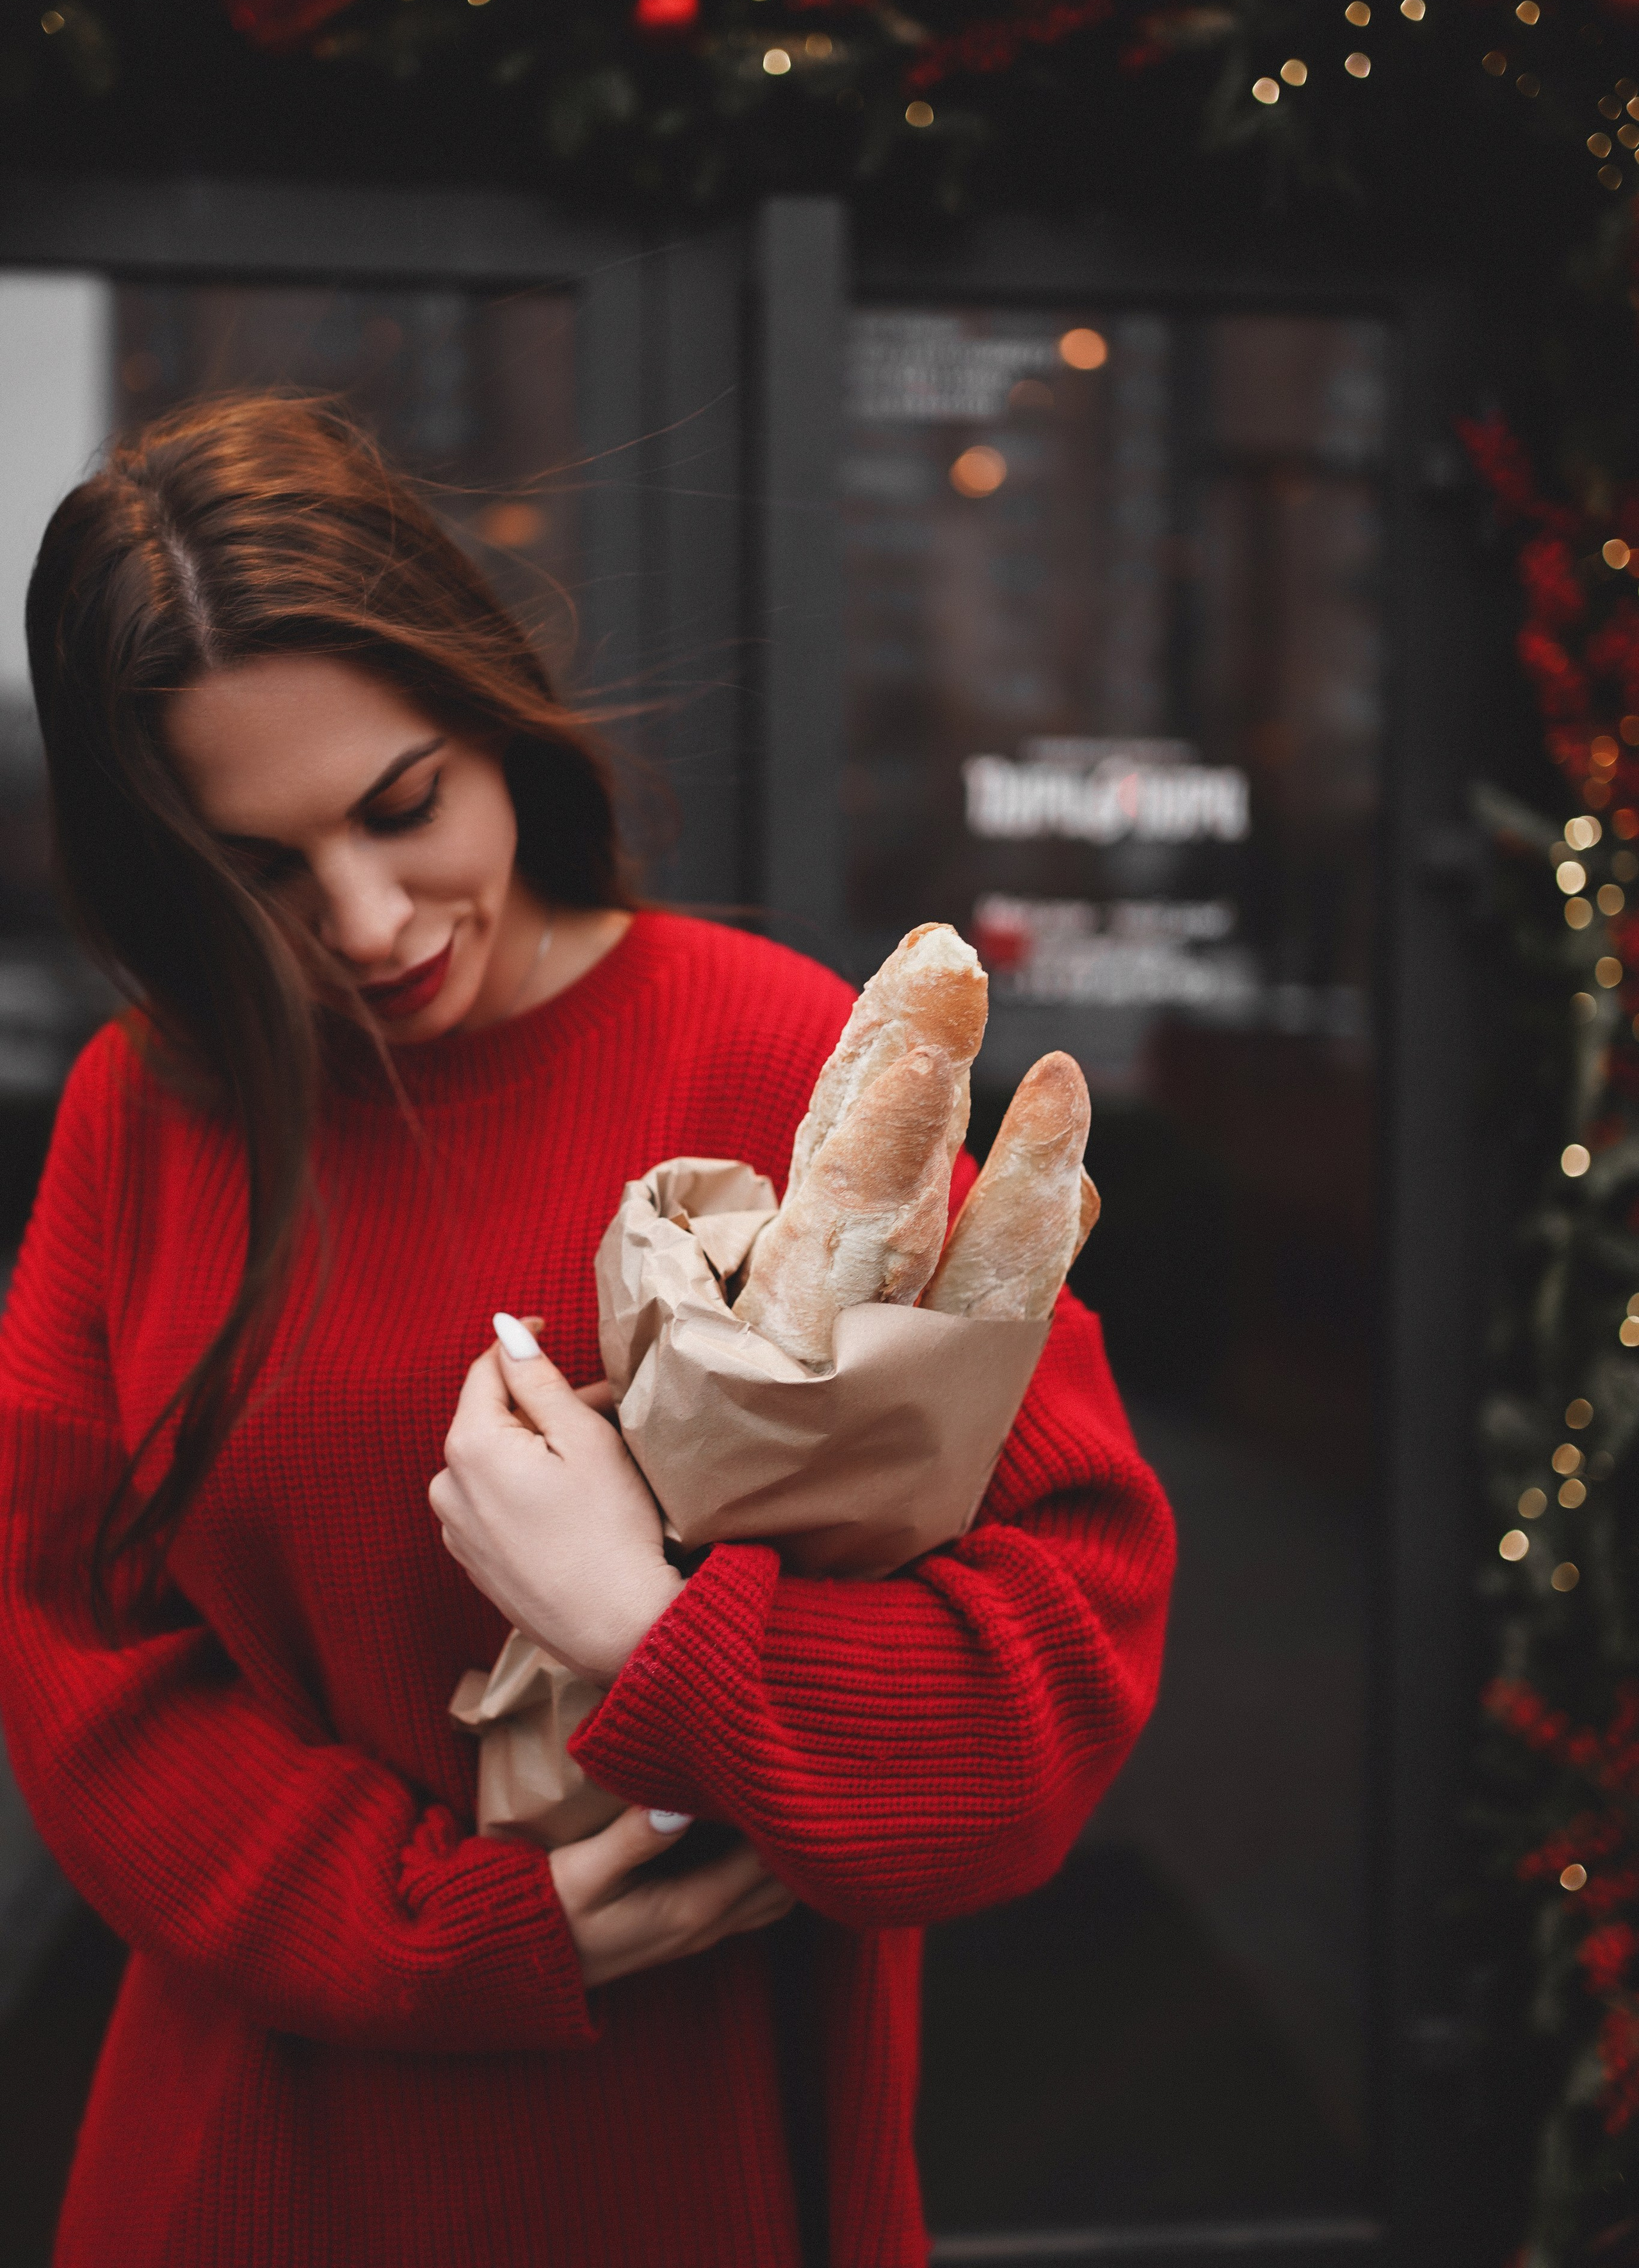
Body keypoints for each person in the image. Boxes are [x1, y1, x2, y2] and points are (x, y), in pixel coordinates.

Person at [0, 393, 1175, 2268]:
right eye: (264, 871)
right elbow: (82, 1672)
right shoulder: (148, 1121)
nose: (370, 921)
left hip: (697, 2165)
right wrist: (448, 1930)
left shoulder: (785, 1060)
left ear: (488, 716)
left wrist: (654, 1631)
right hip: (252, 2169)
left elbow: (1063, 1671)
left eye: (404, 809)